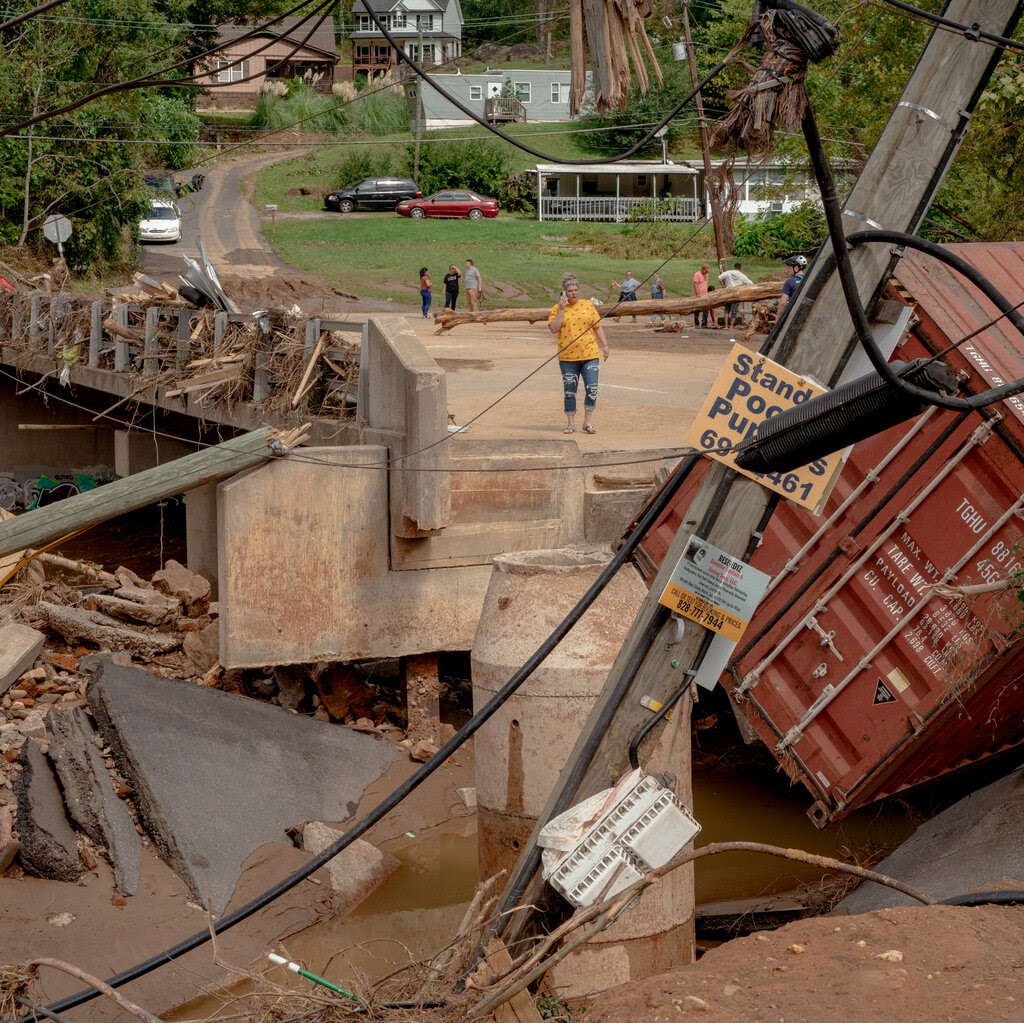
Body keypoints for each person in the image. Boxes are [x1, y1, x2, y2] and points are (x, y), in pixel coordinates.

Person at [548, 272, 609, 435]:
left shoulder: (588, 305)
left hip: (590, 355)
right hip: (568, 358)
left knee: (592, 388)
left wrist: (605, 345)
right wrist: (561, 309)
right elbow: (554, 328)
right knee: (570, 390)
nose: (573, 293)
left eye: (575, 290)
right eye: (570, 291)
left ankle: (587, 422)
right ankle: (570, 423)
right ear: (564, 293)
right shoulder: (557, 308)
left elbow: (597, 326)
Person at [718, 261, 754, 328]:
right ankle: (731, 326)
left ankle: (726, 325)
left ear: (734, 267)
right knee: (734, 311)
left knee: (726, 310)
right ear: (740, 268)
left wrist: (723, 286)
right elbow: (751, 283)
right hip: (736, 293)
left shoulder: (728, 272)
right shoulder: (742, 275)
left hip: (728, 292)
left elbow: (719, 278)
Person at [776, 254, 807, 319]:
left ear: (796, 268)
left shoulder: (789, 282)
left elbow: (783, 302)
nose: (787, 270)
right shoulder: (808, 279)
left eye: (789, 268)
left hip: (794, 315)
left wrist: (778, 317)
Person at [692, 263, 710, 328]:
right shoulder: (697, 274)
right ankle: (696, 323)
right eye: (706, 271)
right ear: (703, 269)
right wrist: (698, 294)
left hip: (705, 295)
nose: (707, 272)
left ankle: (704, 323)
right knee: (697, 310)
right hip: (697, 295)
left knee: (706, 310)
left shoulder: (706, 275)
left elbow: (705, 285)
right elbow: (695, 285)